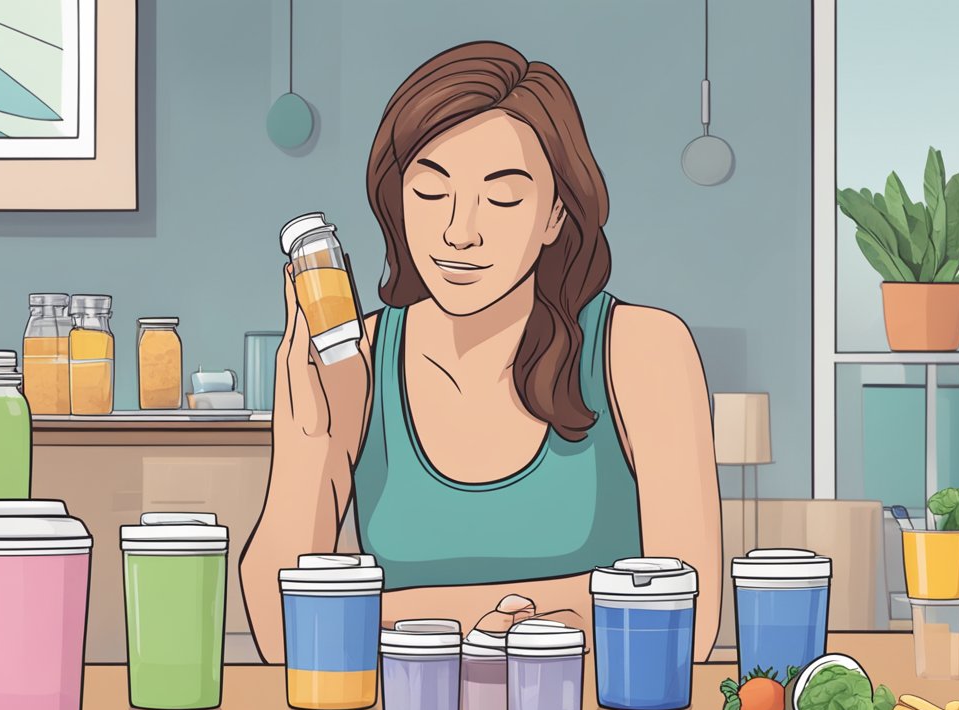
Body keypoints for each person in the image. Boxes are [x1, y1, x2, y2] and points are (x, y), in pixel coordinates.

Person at [241, 41, 721, 663]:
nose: (458, 233)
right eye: (431, 193)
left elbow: (689, 615)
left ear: (555, 214)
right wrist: (315, 433)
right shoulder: (349, 361)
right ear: (396, 202)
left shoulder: (641, 350)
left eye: (502, 198)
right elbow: (287, 634)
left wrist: (382, 618)